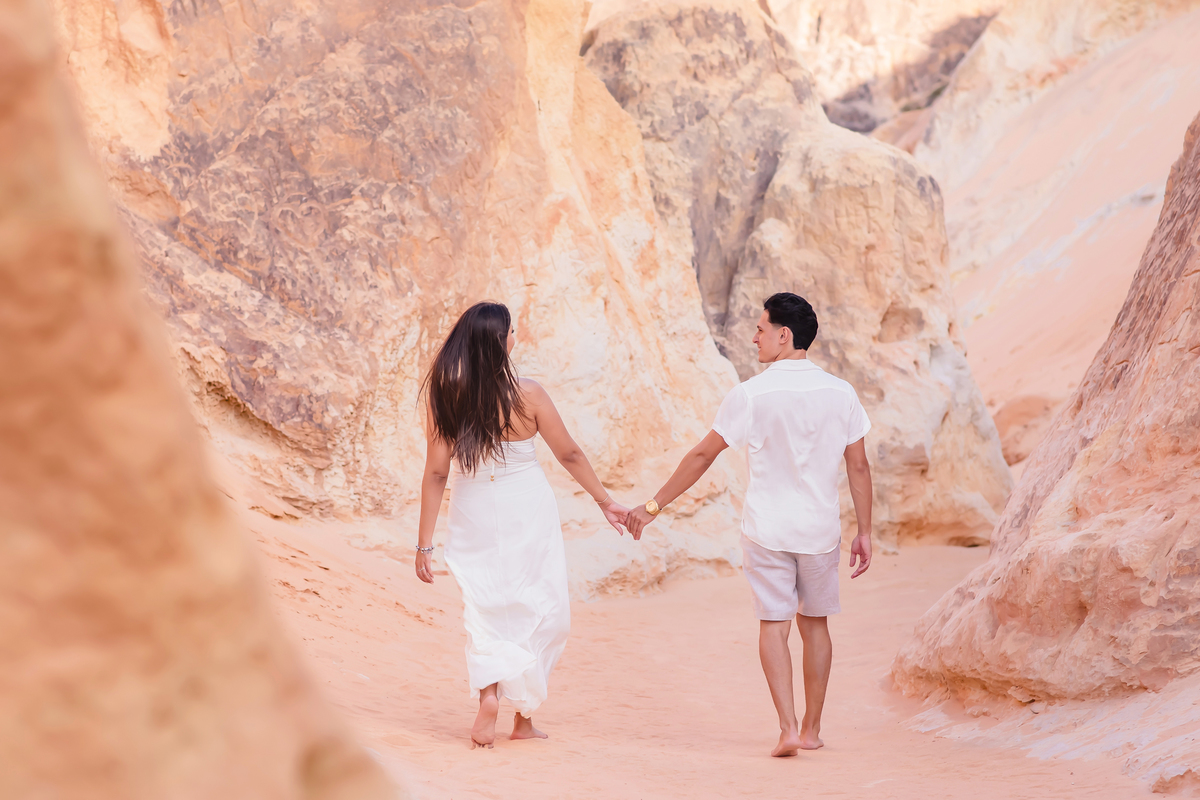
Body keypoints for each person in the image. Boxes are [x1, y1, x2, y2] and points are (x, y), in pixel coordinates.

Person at [625, 292, 874, 757]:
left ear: (784, 335)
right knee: (815, 624)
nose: (754, 336)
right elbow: (858, 467)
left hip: (766, 531)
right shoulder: (842, 393)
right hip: (819, 533)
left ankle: (786, 728)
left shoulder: (750, 394)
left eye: (761, 328)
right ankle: (812, 730)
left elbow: (703, 455)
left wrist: (652, 507)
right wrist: (865, 531)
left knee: (773, 623)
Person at [415, 302, 630, 748]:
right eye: (511, 331)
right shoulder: (527, 394)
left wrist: (424, 545)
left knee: (485, 603)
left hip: (473, 506)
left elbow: (436, 473)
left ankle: (489, 693)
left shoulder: (444, 395)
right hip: (526, 506)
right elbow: (568, 453)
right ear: (499, 342)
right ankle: (524, 718)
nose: (516, 337)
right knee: (539, 601)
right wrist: (605, 501)